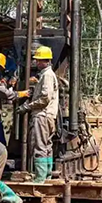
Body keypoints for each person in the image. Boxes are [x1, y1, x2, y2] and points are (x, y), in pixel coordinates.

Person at [17, 46, 59, 184]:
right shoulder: (47, 75)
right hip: (49, 116)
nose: (37, 63)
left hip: (42, 115)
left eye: (39, 60)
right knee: (47, 146)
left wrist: (27, 106)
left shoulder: (47, 75)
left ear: (46, 61)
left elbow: (45, 98)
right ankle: (47, 176)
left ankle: (40, 179)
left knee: (40, 146)